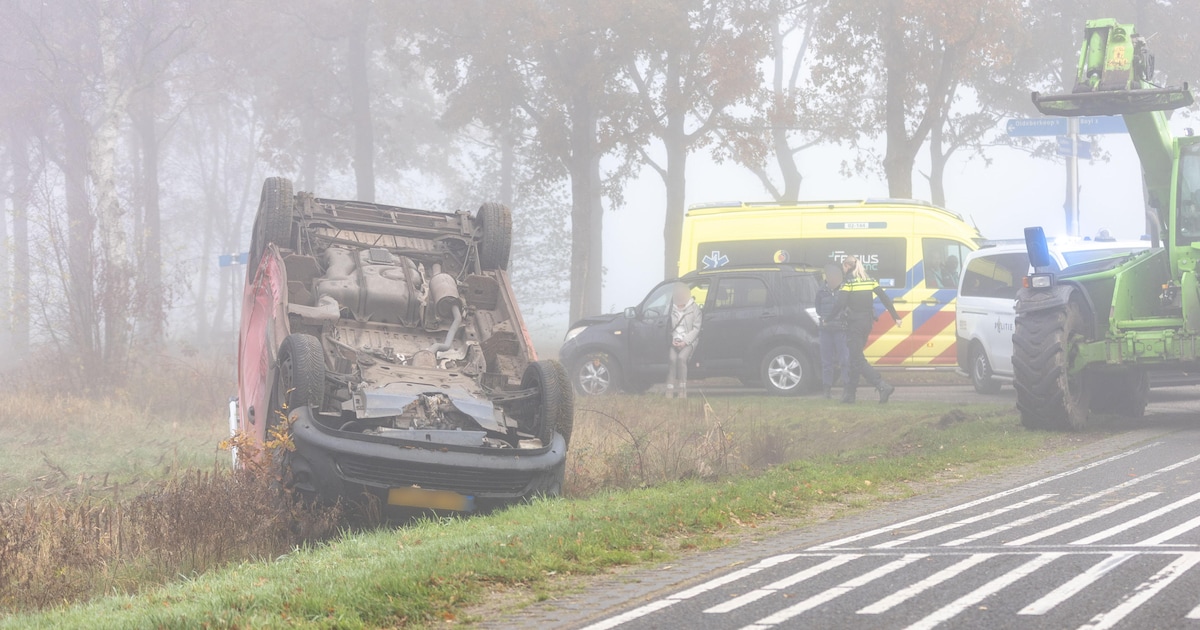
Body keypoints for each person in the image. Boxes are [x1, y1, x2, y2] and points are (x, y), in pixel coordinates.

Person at [833, 256, 902, 403]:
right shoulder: (869, 279)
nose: (842, 269)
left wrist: (827, 318)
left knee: (856, 358)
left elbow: (840, 303)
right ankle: (850, 395)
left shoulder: (848, 281)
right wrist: (895, 316)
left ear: (847, 266)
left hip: (854, 324)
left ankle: (881, 385)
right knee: (855, 358)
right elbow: (884, 297)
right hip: (867, 323)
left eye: (843, 266)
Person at [816, 263, 849, 399]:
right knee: (826, 362)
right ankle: (827, 389)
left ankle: (847, 388)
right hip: (826, 330)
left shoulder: (845, 289)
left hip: (840, 329)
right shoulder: (821, 290)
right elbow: (818, 308)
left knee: (845, 360)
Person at [666, 283, 702, 399]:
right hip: (674, 340)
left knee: (681, 359)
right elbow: (667, 328)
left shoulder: (694, 308)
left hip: (689, 341)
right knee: (672, 359)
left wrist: (685, 342)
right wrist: (672, 340)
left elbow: (696, 329)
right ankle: (669, 390)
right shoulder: (670, 308)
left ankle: (682, 391)